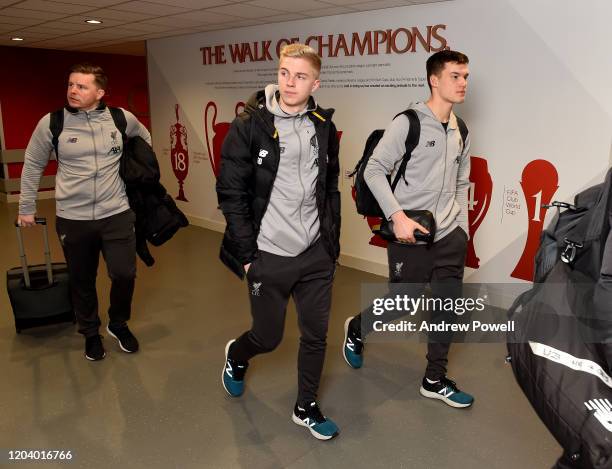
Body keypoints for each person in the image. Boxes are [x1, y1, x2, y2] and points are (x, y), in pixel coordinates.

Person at [216, 43, 341, 440]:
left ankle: (305, 406)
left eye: (300, 76)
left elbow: (329, 185)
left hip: (316, 252)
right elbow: (231, 193)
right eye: (285, 72)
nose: (290, 82)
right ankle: (237, 356)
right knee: (268, 338)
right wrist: (249, 255)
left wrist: (330, 242)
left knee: (316, 334)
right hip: (269, 253)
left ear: (315, 82)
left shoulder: (322, 124)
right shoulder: (249, 125)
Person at [342, 50, 475, 408]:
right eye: (455, 76)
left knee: (447, 306)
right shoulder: (409, 122)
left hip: (449, 235)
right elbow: (373, 169)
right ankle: (357, 328)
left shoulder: (460, 129)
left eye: (465, 76)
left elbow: (462, 181)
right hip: (409, 234)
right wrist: (397, 216)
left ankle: (434, 379)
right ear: (435, 79)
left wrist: (460, 227)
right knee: (403, 301)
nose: (463, 83)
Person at [18, 63, 151, 361]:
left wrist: (138, 172)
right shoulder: (52, 123)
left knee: (124, 273)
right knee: (82, 279)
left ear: (100, 92)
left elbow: (144, 140)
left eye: (82, 86)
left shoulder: (120, 118)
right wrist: (26, 207)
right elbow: (33, 165)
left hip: (116, 211)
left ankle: (118, 323)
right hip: (73, 216)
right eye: (71, 85)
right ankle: (91, 333)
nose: (73, 91)